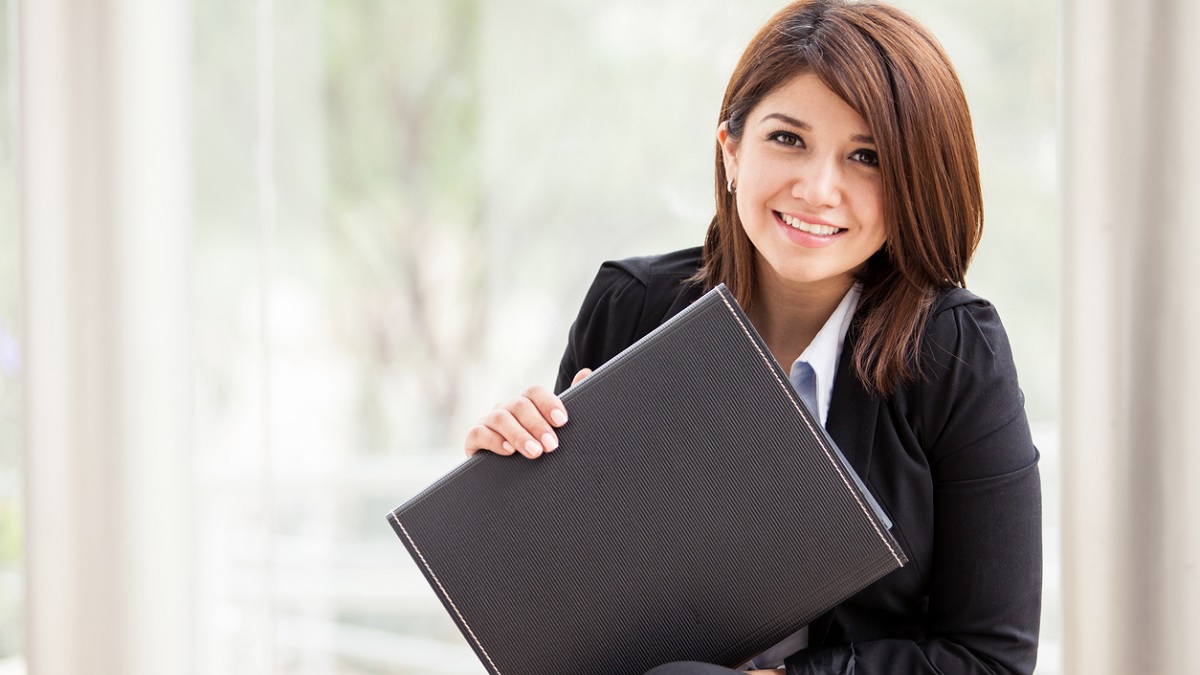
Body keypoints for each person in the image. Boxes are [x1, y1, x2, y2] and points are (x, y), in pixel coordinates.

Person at [463, 0, 1042, 673]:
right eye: (788, 139)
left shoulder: (953, 353)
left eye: (868, 156)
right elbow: (564, 612)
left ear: (915, 181)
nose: (819, 188)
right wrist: (505, 492)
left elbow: (990, 658)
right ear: (731, 150)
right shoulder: (631, 307)